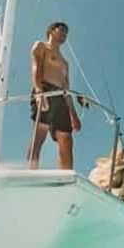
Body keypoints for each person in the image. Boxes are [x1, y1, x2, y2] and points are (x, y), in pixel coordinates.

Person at [27, 22, 82, 170]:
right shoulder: (41, 46)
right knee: (39, 136)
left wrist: (73, 115)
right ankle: (30, 173)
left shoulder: (65, 62)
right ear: (51, 31)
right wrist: (39, 92)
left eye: (66, 32)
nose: (65, 34)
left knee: (66, 139)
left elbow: (67, 88)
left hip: (61, 97)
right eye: (62, 30)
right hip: (45, 90)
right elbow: (36, 68)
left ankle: (65, 179)